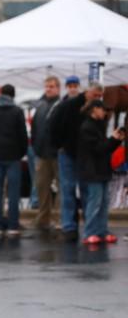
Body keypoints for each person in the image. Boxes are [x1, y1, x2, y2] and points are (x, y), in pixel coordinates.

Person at [49, 80, 105, 241]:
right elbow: (54, 126)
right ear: (87, 93)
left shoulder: (95, 109)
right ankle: (69, 226)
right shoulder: (69, 106)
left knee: (86, 189)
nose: (98, 99)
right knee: (68, 188)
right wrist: (59, 146)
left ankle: (90, 224)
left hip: (85, 155)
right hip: (68, 152)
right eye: (95, 95)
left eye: (100, 96)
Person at [77, 100, 126, 245]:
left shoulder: (98, 126)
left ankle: (102, 231)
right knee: (95, 202)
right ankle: (90, 232)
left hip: (102, 169)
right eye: (102, 110)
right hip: (93, 171)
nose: (105, 112)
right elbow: (98, 149)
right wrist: (113, 139)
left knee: (104, 203)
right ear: (94, 110)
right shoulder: (87, 127)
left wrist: (115, 140)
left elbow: (105, 148)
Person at [0, 84, 27, 237]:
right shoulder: (17, 111)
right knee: (13, 192)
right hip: (13, 156)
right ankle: (12, 225)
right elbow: (22, 135)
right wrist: (21, 152)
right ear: (13, 95)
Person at [30, 76, 62, 231]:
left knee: (61, 187)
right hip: (42, 153)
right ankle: (43, 217)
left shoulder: (62, 105)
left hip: (57, 154)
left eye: (51, 86)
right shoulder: (41, 106)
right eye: (47, 86)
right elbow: (35, 128)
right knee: (42, 186)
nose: (48, 89)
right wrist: (36, 147)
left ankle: (58, 218)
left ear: (58, 88)